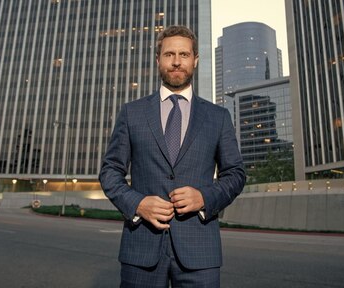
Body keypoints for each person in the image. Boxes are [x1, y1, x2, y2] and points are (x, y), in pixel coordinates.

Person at [99, 25, 246, 287]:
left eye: (184, 55)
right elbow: (110, 171)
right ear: (158, 59)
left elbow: (235, 174)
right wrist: (137, 203)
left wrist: (204, 197)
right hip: (141, 247)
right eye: (169, 55)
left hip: (200, 251)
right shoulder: (132, 113)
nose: (176, 62)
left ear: (195, 60)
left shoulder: (218, 117)